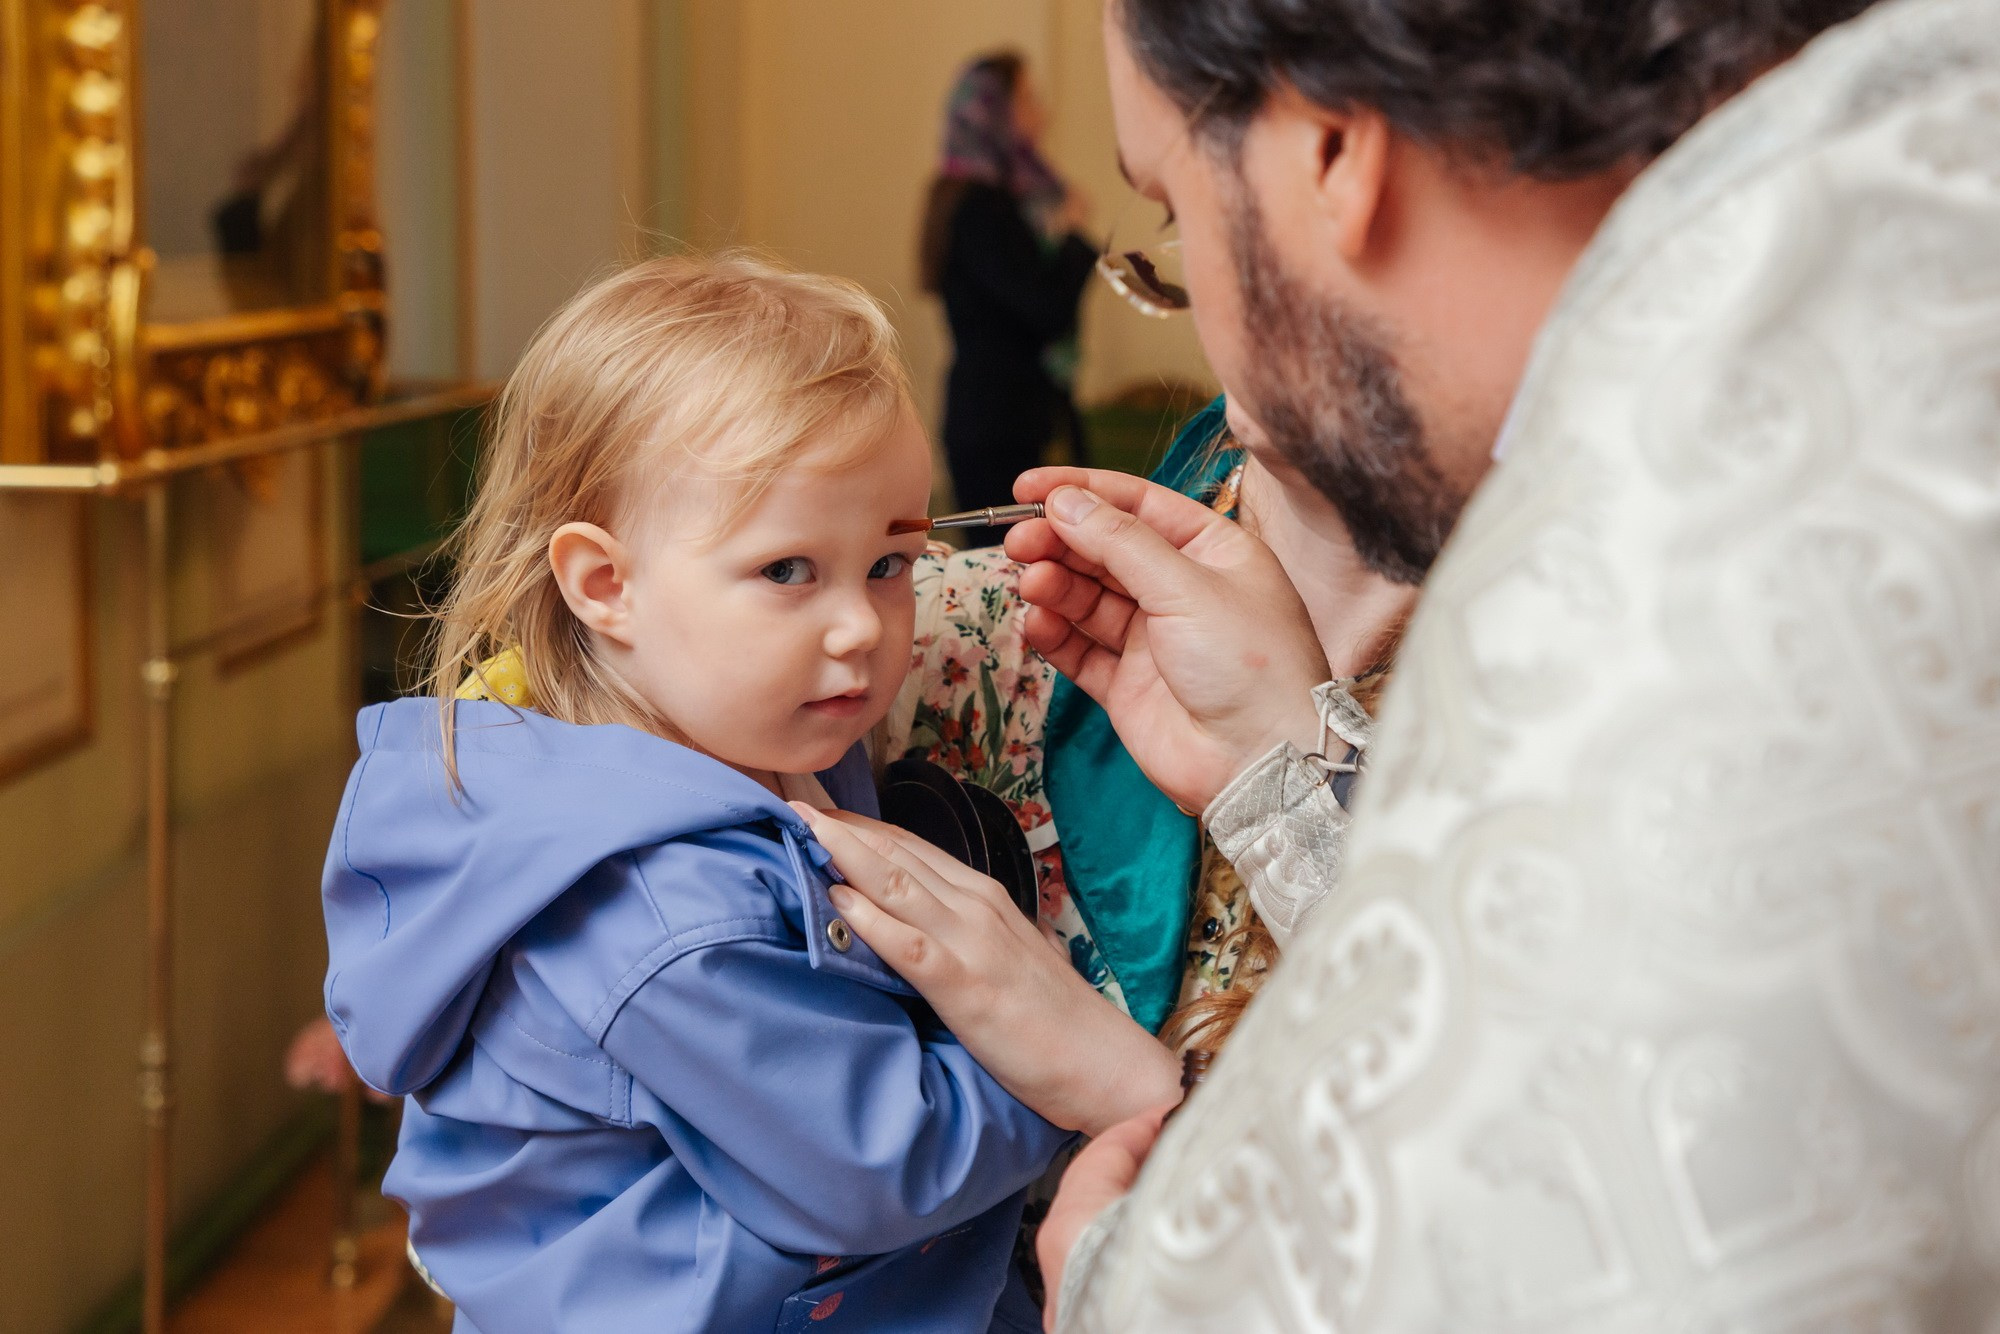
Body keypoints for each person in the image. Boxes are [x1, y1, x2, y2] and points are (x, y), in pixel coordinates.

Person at [807, 0, 2000, 1327]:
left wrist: (1123, 1278)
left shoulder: (1697, 530)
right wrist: (1283, 771)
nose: (1210, 339)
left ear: (1333, 148)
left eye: (1178, 211)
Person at [317, 253, 1178, 1334]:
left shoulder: (731, 728)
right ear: (605, 584)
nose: (861, 626)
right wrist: (1062, 1072)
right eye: (786, 572)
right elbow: (882, 1161)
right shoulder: (660, 910)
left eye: (888, 562)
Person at [920, 52, 1098, 544]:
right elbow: (1046, 309)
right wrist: (1073, 236)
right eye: (1026, 99)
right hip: (998, 422)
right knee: (1008, 577)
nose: (1042, 111)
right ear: (992, 112)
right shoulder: (980, 206)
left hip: (1009, 412)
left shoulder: (1001, 199)